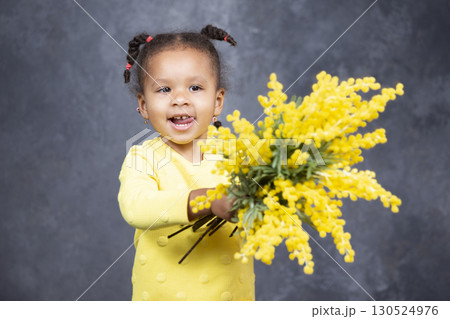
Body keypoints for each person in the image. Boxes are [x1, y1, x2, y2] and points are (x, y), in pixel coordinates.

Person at [117, 25, 255, 301]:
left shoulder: (240, 154)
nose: (180, 99)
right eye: (164, 89)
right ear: (143, 105)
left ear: (217, 102)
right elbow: (136, 206)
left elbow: (271, 196)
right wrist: (204, 201)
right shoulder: (143, 157)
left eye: (195, 87)